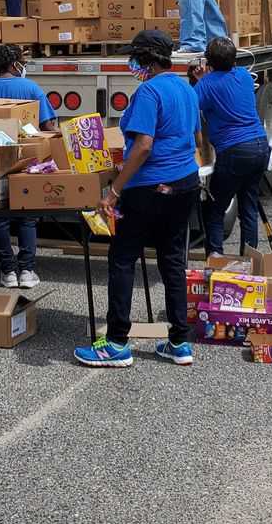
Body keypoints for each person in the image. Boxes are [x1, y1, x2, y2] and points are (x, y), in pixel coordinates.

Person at [74, 30, 201, 369]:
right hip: (185, 182)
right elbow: (191, 135)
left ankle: (116, 342)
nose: (132, 64)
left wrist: (114, 191)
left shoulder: (149, 91)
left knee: (123, 258)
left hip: (149, 187)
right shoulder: (186, 87)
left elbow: (143, 145)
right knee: (173, 260)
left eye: (135, 57)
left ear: (145, 58)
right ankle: (179, 342)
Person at [0, 45, 58, 289]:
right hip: (28, 159)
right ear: (14, 65)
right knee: (27, 217)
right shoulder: (30, 88)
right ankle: (27, 270)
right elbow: (48, 125)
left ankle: (8, 271)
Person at [190, 37, 271, 256]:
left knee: (216, 208)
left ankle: (215, 257)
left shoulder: (206, 85)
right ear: (234, 59)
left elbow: (193, 106)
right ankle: (250, 258)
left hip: (234, 150)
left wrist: (199, 80)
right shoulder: (244, 76)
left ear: (208, 61)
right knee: (248, 206)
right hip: (260, 145)